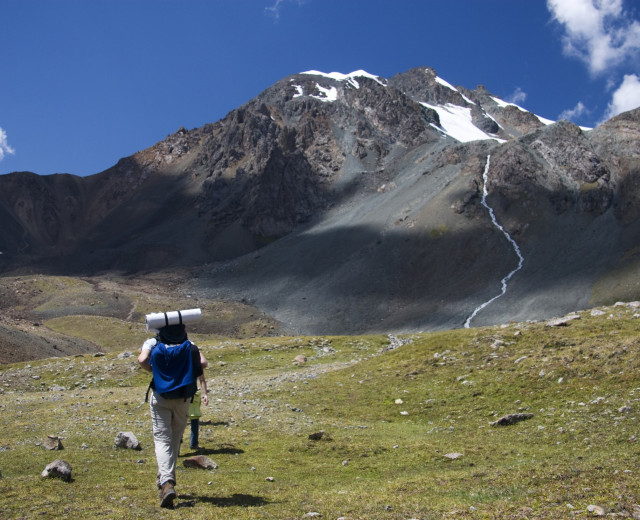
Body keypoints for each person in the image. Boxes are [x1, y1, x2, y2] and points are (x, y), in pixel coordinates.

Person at [138, 322, 208, 508]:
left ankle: (166, 482)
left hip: (160, 397)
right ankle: (165, 480)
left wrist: (157, 372)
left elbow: (142, 360)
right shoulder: (189, 344)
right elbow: (203, 363)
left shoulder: (152, 343)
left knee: (162, 439)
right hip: (183, 399)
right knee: (175, 440)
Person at [188, 372, 209, 450]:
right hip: (193, 395)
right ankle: (194, 444)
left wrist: (205, 394)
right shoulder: (196, 360)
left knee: (180, 421)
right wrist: (205, 394)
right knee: (194, 419)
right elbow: (202, 379)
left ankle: (177, 447)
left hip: (181, 394)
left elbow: (202, 379)